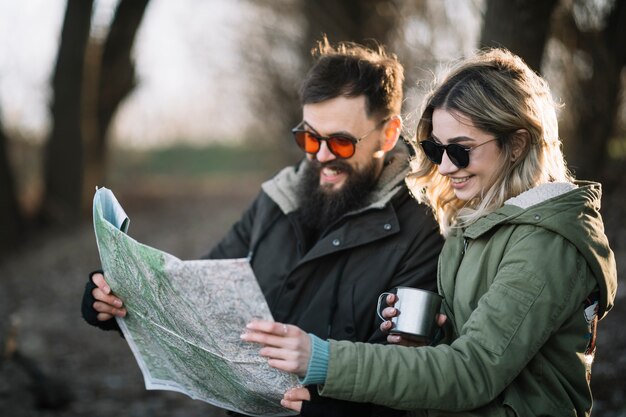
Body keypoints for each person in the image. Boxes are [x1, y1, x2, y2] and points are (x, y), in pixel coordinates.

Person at [241, 48, 618, 416]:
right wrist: (428, 339)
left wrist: (322, 359)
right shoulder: (471, 223)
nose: (446, 167)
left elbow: (472, 372)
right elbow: (467, 360)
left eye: (462, 150)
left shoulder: (547, 244)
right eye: (436, 150)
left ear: (516, 144)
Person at [81, 37, 444, 416]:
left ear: (388, 134)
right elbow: (196, 298)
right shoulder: (277, 199)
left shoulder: (422, 227)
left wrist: (333, 407)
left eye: (340, 142)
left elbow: (412, 373)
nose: (320, 157)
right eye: (309, 137)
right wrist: (120, 303)